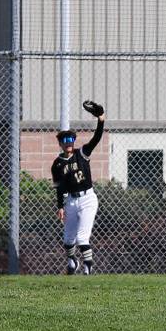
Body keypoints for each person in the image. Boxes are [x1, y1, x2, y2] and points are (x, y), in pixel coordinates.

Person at [52, 101, 106, 275]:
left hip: (87, 199)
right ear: (60, 144)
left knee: (82, 237)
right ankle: (72, 262)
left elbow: (96, 138)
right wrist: (60, 206)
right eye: (64, 140)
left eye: (71, 139)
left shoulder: (81, 153)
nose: (68, 143)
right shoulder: (58, 164)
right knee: (68, 239)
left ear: (74, 141)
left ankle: (88, 269)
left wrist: (101, 119)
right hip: (71, 200)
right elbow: (59, 187)